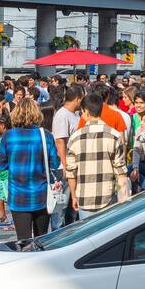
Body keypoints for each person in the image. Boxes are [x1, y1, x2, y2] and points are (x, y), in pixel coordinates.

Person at [0, 97, 62, 244]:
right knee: (41, 239)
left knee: (23, 240)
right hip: (41, 195)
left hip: (18, 196)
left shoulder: (8, 136)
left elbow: (2, 166)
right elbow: (55, 163)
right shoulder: (45, 135)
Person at [65, 92, 128, 223]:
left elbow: (71, 172)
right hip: (108, 196)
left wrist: (73, 195)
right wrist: (124, 196)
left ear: (86, 112)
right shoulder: (114, 135)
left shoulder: (75, 138)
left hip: (84, 196)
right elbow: (120, 171)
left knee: (88, 237)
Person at [50, 85, 83, 221]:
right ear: (77, 99)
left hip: (73, 165)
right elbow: (60, 141)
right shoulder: (62, 115)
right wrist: (65, 165)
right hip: (64, 167)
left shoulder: (74, 114)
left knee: (71, 204)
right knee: (62, 205)